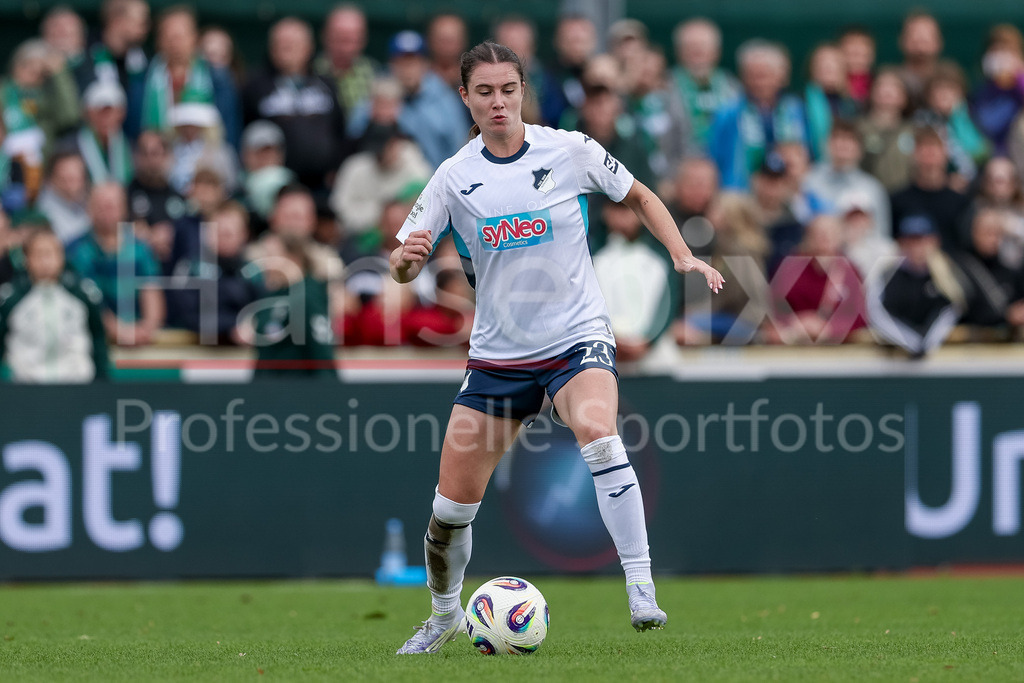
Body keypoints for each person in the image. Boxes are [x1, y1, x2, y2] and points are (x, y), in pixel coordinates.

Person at [389, 41, 724, 654]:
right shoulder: (453, 177)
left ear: (523, 91)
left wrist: (680, 253)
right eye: (483, 91)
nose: (498, 101)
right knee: (449, 512)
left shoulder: (567, 149)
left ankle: (641, 587)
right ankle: (442, 614)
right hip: (498, 356)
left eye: (508, 89)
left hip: (575, 337)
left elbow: (642, 196)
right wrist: (406, 262)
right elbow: (403, 260)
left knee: (599, 432)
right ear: (465, 97)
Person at [242, 17, 349, 193]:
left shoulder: (326, 84)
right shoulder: (255, 86)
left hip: (323, 182)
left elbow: (340, 130)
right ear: (271, 48)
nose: (286, 49)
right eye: (281, 44)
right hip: (273, 183)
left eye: (293, 43)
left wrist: (337, 168)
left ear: (309, 47)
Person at [0, 228, 108, 382]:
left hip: (77, 384)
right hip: (26, 387)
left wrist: (101, 381)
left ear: (61, 257)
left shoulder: (82, 294)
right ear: (26, 259)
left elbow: (98, 338)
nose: (45, 261)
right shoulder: (10, 297)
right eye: (38, 255)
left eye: (50, 254)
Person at [866, 214, 965, 358]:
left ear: (933, 241)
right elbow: (876, 313)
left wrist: (927, 343)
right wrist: (911, 343)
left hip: (938, 358)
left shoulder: (946, 275)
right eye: (911, 241)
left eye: (921, 241)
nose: (916, 247)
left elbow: (951, 309)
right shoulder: (888, 275)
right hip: (895, 358)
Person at [669, 18, 741, 154]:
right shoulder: (664, 86)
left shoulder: (733, 87)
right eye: (690, 47)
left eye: (703, 46)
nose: (697, 53)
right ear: (678, 51)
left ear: (717, 51)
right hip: (680, 167)